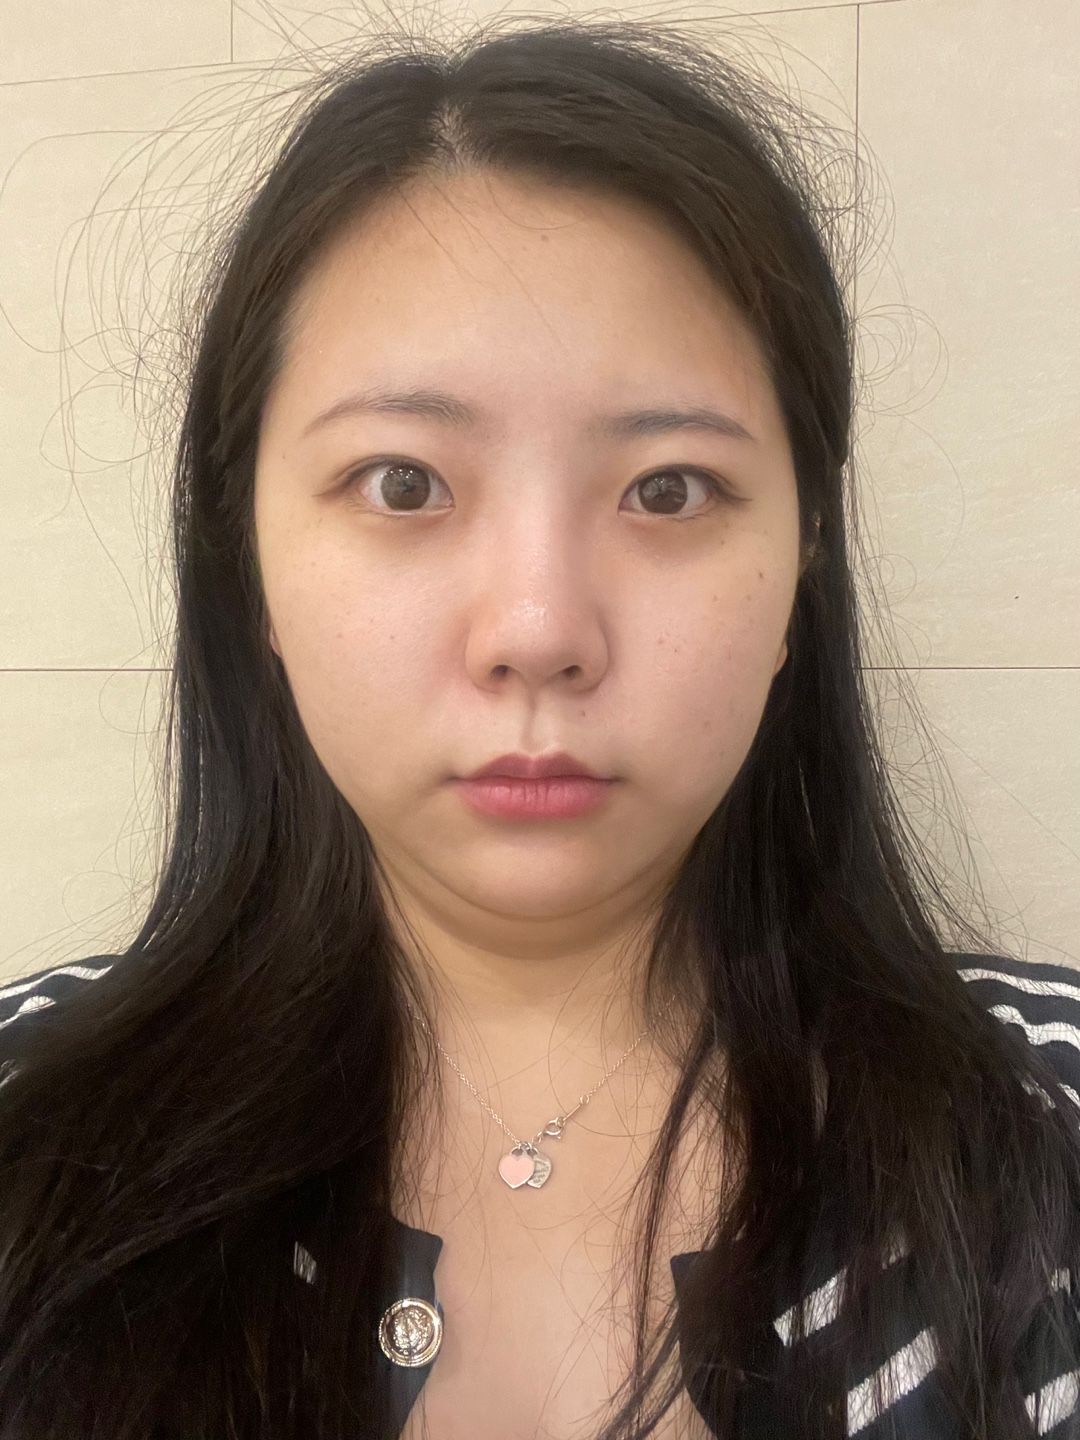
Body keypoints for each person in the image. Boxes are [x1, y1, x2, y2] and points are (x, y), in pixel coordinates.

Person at [0, 18, 1077, 1440]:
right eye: (401, 483)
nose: (537, 629)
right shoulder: (29, 1133)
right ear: (244, 560)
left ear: (804, 560)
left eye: (668, 489)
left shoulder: (1045, 1126)